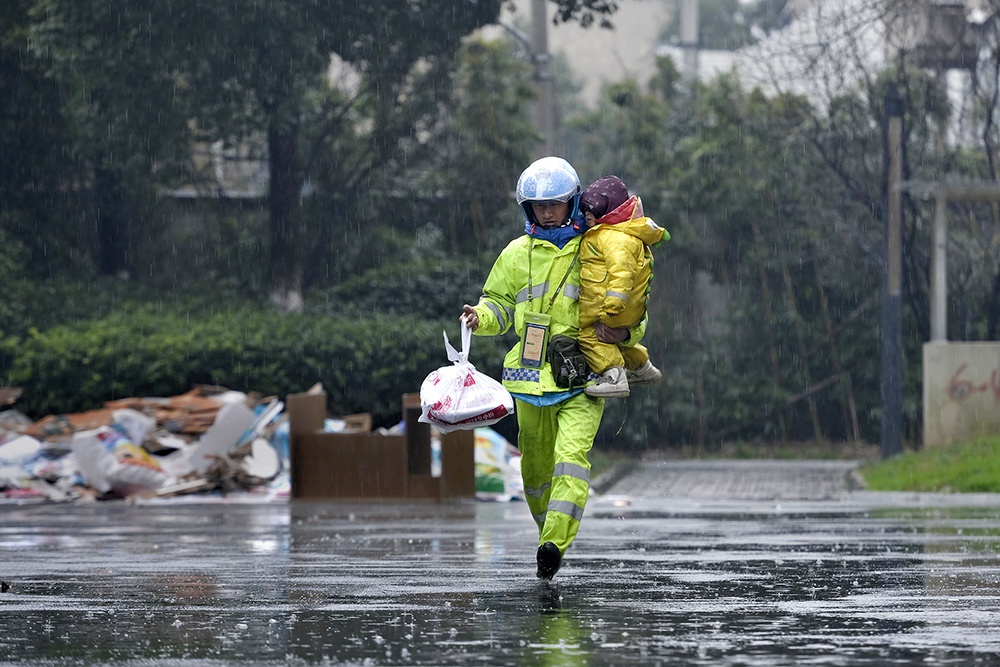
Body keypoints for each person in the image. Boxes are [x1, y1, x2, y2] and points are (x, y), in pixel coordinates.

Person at [459, 156, 647, 581]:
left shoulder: (598, 246)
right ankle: (547, 536)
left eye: (555, 204)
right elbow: (499, 305)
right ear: (528, 208)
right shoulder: (514, 254)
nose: (546, 212)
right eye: (538, 206)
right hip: (528, 380)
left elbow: (633, 304)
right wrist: (479, 317)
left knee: (570, 459)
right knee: (536, 471)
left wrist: (625, 334)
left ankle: (554, 544)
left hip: (585, 377)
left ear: (573, 201)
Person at [577, 175, 669, 398]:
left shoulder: (612, 237)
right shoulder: (626, 235)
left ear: (606, 212)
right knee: (617, 345)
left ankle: (613, 377)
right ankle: (644, 368)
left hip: (611, 307)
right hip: (629, 313)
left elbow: (621, 271)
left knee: (588, 338)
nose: (587, 216)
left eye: (592, 212)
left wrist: (614, 302)